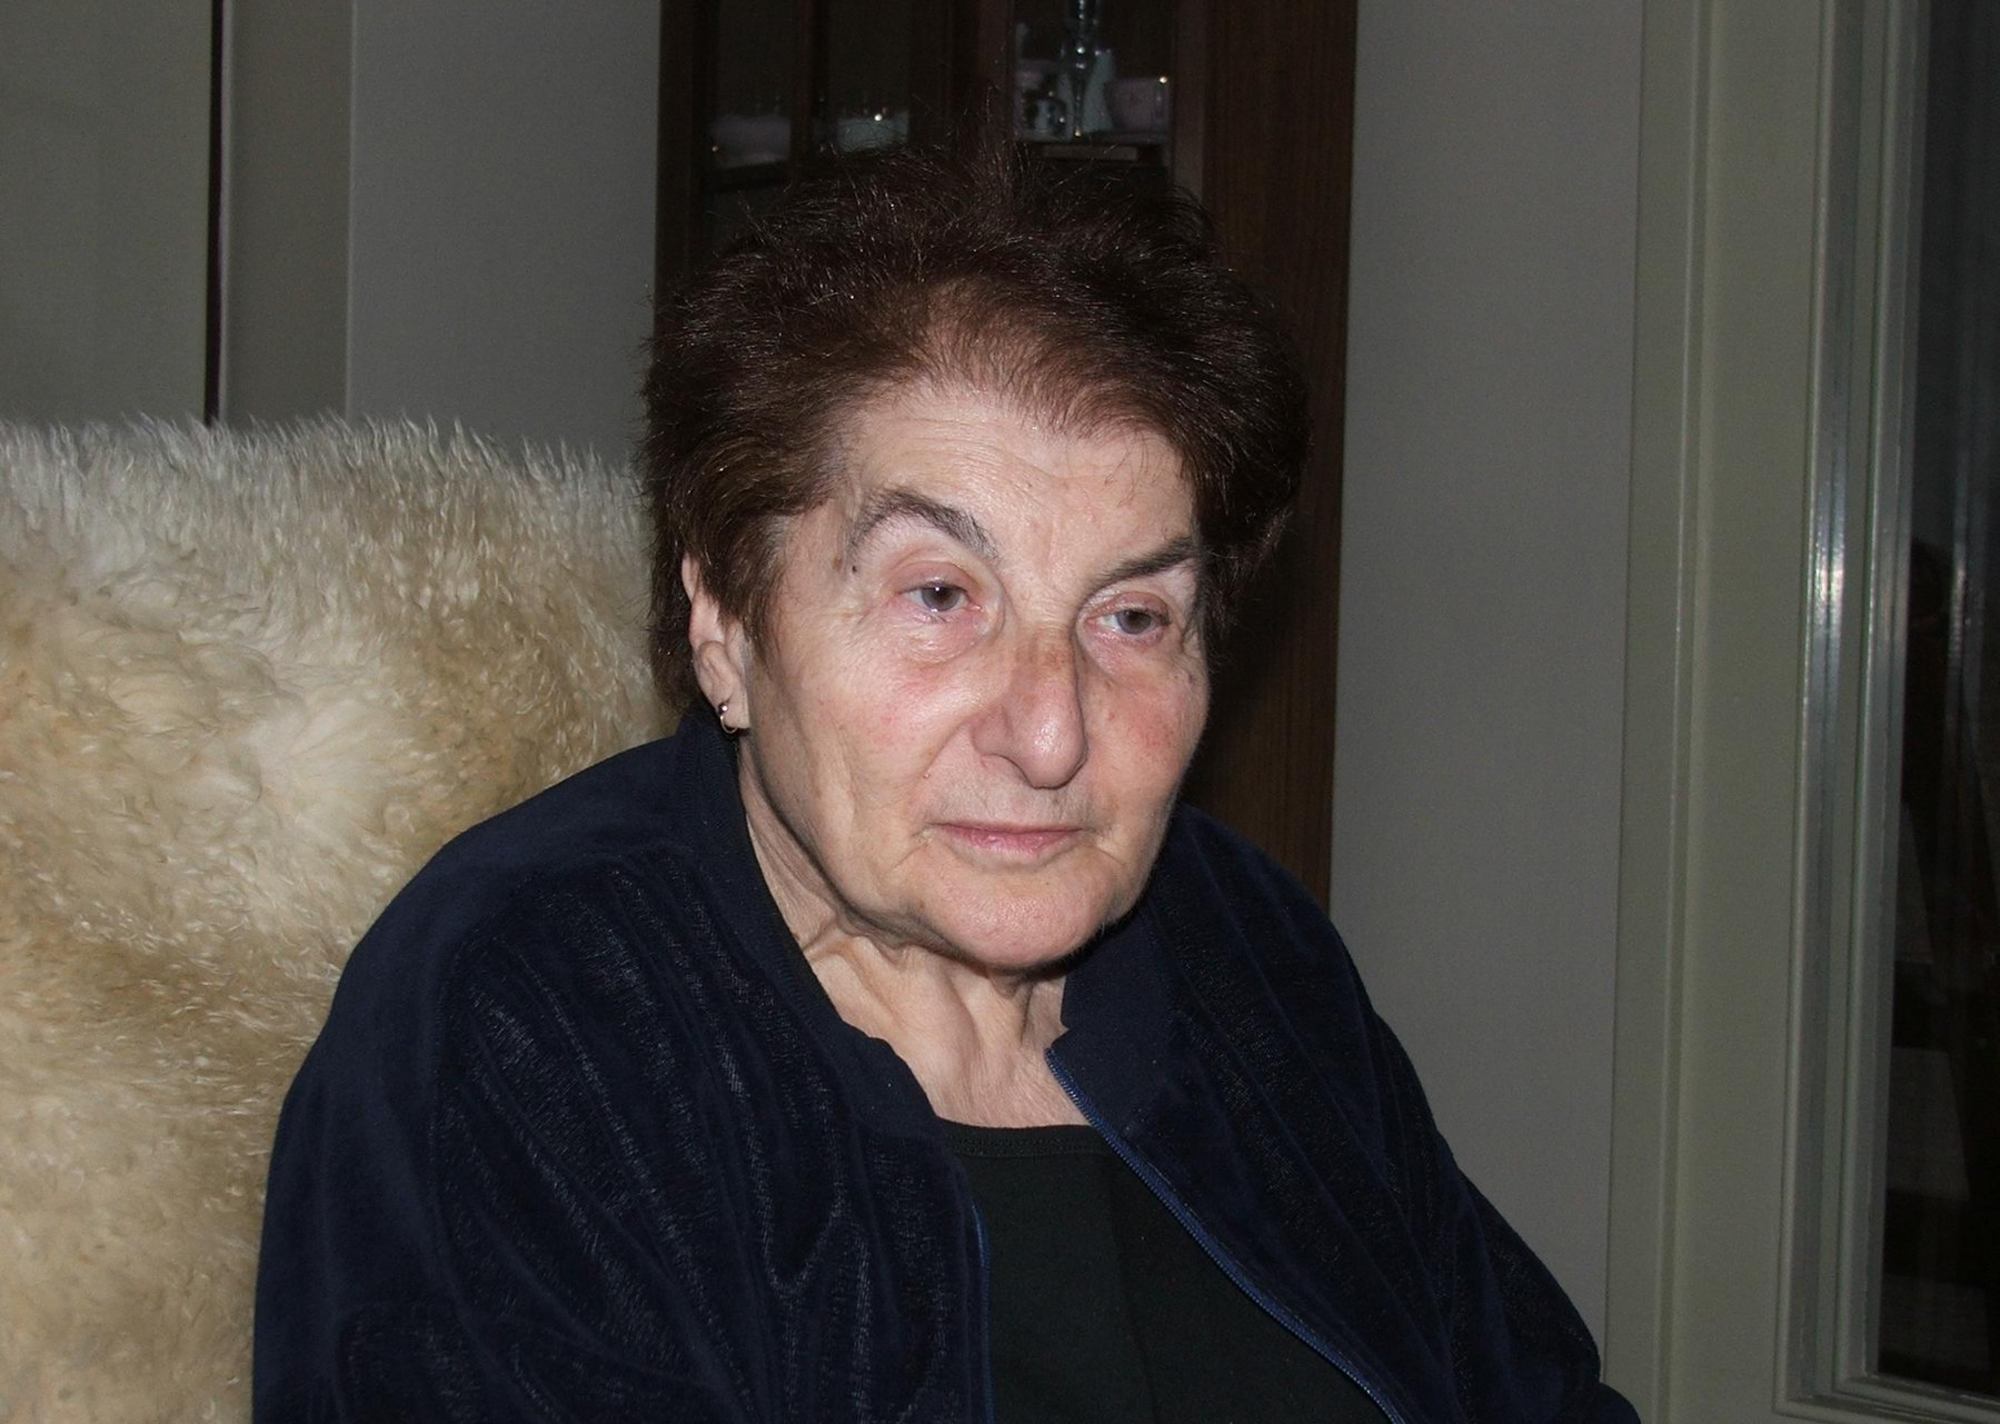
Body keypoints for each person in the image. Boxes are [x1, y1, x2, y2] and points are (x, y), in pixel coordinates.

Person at [254, 146, 1636, 1423]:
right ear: (725, 622)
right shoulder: (532, 1016)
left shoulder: (1243, 947)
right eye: (939, 595)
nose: (1050, 735)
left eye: (1132, 617)